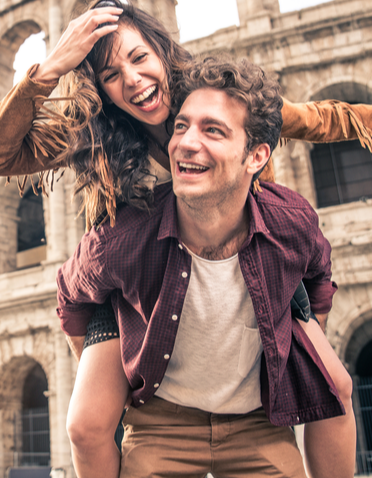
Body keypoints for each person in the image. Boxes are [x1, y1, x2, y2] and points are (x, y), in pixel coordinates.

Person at [0, 0, 372, 477]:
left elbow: (315, 117)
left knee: (335, 383)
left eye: (139, 58)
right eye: (111, 76)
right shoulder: (97, 130)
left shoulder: (216, 99)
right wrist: (51, 68)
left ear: (161, 49)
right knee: (86, 421)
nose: (134, 82)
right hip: (139, 280)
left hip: (251, 255)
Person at [58, 56, 343, 476]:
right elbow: (71, 295)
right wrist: (105, 363)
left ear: (256, 156)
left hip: (256, 423)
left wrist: (300, 335)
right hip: (161, 422)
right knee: (83, 425)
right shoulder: (122, 237)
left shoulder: (291, 222)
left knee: (339, 386)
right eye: (180, 126)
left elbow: (319, 278)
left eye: (212, 130)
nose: (186, 142)